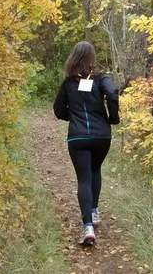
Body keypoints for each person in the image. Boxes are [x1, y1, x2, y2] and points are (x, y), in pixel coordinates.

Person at [53, 41, 120, 245]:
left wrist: (72, 117)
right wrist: (113, 117)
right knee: (95, 170)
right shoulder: (102, 78)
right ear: (92, 58)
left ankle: (88, 227)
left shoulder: (68, 83)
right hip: (102, 136)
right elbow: (112, 94)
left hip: (78, 137)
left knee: (84, 178)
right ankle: (94, 210)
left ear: (73, 58)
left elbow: (58, 110)